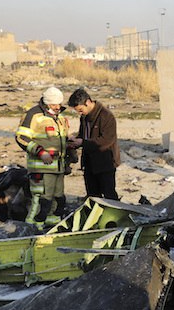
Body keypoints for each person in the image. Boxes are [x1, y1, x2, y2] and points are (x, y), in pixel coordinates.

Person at [15, 86, 70, 230]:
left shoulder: (60, 117)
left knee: (57, 196)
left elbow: (62, 140)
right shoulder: (33, 115)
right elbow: (21, 137)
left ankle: (51, 220)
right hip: (41, 167)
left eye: (59, 104)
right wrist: (41, 152)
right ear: (47, 103)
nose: (58, 107)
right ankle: (32, 226)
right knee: (41, 198)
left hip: (58, 167)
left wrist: (69, 156)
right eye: (54, 104)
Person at [67, 88, 120, 200]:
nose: (80, 113)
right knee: (92, 195)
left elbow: (106, 140)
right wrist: (75, 142)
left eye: (80, 110)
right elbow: (83, 136)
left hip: (105, 162)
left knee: (109, 195)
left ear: (87, 102)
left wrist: (83, 142)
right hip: (89, 162)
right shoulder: (84, 117)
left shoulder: (106, 116)